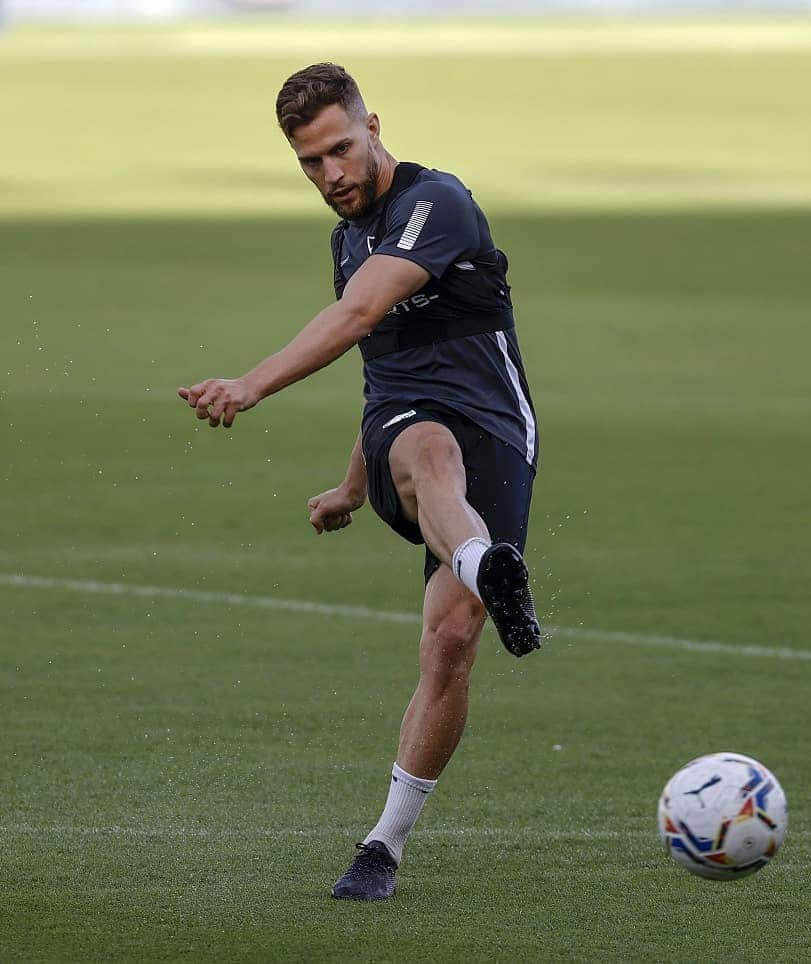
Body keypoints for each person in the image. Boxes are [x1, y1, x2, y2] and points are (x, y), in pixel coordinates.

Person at [177, 63, 541, 901]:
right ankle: (485, 563)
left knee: (451, 643)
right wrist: (351, 483)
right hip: (411, 436)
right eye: (309, 163)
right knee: (424, 448)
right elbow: (383, 377)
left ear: (373, 124)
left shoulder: (435, 203)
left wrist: (250, 384)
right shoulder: (347, 237)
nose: (331, 175)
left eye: (340, 149)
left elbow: (358, 319)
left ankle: (383, 846)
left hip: (498, 431)